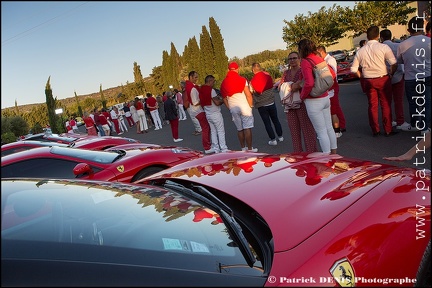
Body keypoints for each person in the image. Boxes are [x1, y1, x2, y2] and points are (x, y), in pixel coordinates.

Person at [351, 25, 398, 137]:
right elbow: (393, 63)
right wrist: (391, 73)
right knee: (385, 104)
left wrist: (361, 76)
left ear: (367, 36)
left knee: (372, 105)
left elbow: (353, 69)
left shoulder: (360, 51)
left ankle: (375, 129)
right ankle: (387, 129)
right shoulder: (384, 47)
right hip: (382, 78)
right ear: (378, 36)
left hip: (368, 79)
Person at [298, 39, 337, 155]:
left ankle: (327, 158)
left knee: (321, 131)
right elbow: (332, 74)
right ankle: (334, 154)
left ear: (301, 49)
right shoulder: (319, 58)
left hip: (313, 100)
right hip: (325, 97)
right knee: (329, 128)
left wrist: (302, 96)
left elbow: (309, 83)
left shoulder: (305, 61)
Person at [397, 16, 431, 134]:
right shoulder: (428, 41)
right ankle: (425, 127)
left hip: (411, 77)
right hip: (427, 75)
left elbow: (399, 61)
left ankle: (415, 123)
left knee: (413, 102)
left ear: (409, 29)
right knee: (427, 101)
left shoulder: (402, 45)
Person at [279, 51, 317, 153]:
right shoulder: (286, 73)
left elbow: (305, 83)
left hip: (302, 104)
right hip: (290, 106)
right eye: (290, 59)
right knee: (294, 132)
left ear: (299, 59)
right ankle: (298, 156)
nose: (292, 60)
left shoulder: (302, 70)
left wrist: (290, 86)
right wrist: (293, 85)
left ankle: (312, 154)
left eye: (294, 58)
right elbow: (280, 86)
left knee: (307, 130)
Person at [220, 62, 258, 152]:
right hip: (244, 106)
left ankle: (242, 148)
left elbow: (224, 98)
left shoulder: (224, 82)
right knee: (247, 128)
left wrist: (230, 108)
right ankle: (250, 149)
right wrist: (250, 105)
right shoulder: (242, 79)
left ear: (229, 70)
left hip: (233, 107)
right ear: (237, 69)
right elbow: (248, 94)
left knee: (239, 129)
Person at [379, 29, 410, 131]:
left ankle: (390, 120)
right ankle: (400, 121)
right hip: (398, 75)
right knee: (398, 100)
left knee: (386, 101)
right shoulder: (397, 46)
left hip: (385, 76)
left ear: (381, 37)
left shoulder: (379, 48)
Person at [250, 62, 284, 146]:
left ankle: (273, 140)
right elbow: (271, 86)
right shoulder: (268, 77)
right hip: (271, 102)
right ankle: (280, 136)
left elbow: (252, 91)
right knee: (275, 120)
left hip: (261, 105)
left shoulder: (252, 81)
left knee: (267, 122)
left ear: (253, 70)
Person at [317, 45, 347, 137]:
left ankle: (339, 127)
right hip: (329, 86)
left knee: (334, 108)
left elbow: (331, 75)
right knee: (335, 108)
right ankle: (341, 125)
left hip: (332, 86)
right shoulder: (326, 61)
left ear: (321, 52)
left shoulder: (330, 60)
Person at [199, 74, 229, 153]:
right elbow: (217, 102)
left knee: (213, 131)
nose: (214, 83)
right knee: (220, 131)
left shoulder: (201, 90)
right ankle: (223, 148)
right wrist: (223, 100)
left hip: (208, 113)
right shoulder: (211, 90)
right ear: (210, 81)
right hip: (215, 113)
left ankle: (216, 148)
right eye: (213, 81)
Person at [185, 71, 213, 154]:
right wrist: (204, 99)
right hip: (197, 110)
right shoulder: (192, 88)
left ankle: (208, 145)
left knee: (206, 128)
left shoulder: (190, 87)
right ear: (191, 77)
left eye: (197, 77)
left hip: (196, 110)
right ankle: (207, 147)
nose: (196, 79)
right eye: (195, 77)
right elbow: (195, 102)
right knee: (205, 128)